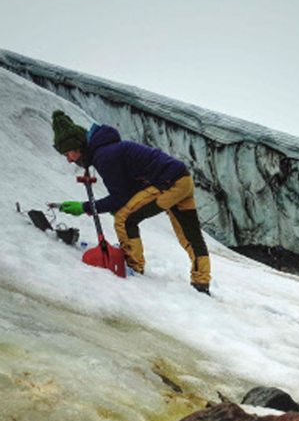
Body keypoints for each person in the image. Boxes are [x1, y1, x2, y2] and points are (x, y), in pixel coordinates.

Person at [51, 110, 211, 294]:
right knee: (191, 235)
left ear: (78, 146)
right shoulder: (109, 150)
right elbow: (130, 187)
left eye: (68, 154)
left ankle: (134, 270)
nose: (69, 160)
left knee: (125, 218)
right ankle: (201, 283)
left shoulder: (105, 156)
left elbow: (120, 197)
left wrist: (84, 207)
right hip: (182, 179)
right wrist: (118, 203)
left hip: (169, 183)